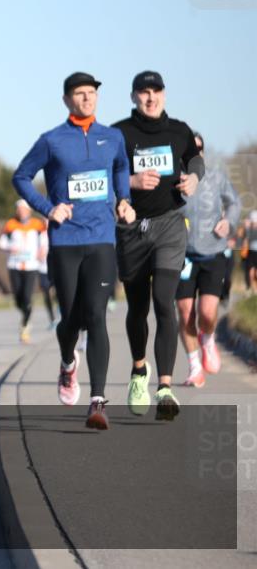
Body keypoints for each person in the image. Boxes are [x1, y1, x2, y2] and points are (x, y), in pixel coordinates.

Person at [14, 71, 135, 430]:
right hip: (65, 241)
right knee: (71, 319)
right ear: (67, 100)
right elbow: (20, 176)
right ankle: (68, 363)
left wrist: (124, 199)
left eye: (91, 93)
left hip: (101, 239)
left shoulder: (112, 137)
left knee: (97, 315)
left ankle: (97, 401)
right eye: (79, 94)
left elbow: (122, 166)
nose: (86, 99)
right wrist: (47, 207)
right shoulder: (51, 141)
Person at [113, 70, 204, 421]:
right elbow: (106, 173)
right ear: (134, 96)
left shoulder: (179, 130)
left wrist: (194, 177)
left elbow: (196, 159)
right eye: (144, 92)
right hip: (132, 229)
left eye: (156, 92)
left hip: (169, 225)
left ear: (164, 94)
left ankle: (165, 387)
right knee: (137, 308)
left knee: (164, 302)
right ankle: (139, 371)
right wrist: (131, 182)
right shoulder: (119, 133)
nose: (151, 98)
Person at [176, 131, 240, 387]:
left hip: (213, 252)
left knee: (206, 312)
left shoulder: (216, 177)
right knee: (185, 312)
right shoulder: (172, 181)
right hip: (182, 255)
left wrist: (228, 221)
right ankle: (193, 366)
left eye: (199, 148)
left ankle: (208, 339)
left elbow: (234, 203)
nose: (195, 153)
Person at [0, 199, 48, 343]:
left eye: (24, 209)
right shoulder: (10, 224)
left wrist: (42, 250)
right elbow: (1, 242)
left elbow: (44, 240)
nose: (21, 212)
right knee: (18, 298)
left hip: (31, 265)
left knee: (27, 297)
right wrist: (9, 247)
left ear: (29, 211)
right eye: (18, 209)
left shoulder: (37, 225)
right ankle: (25, 314)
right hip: (14, 265)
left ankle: (25, 325)